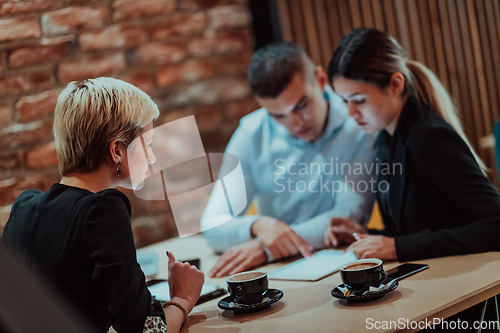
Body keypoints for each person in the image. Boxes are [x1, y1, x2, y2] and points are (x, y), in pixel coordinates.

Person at [1, 78, 204, 333]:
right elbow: (146, 330)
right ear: (117, 150)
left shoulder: (24, 206)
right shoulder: (103, 209)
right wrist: (183, 298)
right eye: (148, 145)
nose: (152, 157)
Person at [202, 42, 377, 278]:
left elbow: (347, 216)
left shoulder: (359, 125)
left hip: (344, 267)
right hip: (279, 274)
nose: (295, 124)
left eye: (301, 105)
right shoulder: (251, 133)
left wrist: (266, 247)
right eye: (278, 116)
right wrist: (259, 226)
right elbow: (211, 225)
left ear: (321, 79)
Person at [325, 28, 500, 262]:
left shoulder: (430, 137)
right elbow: (417, 228)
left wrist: (397, 247)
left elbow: (496, 224)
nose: (350, 113)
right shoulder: (385, 138)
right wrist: (366, 237)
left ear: (396, 84)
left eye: (359, 100)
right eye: (345, 101)